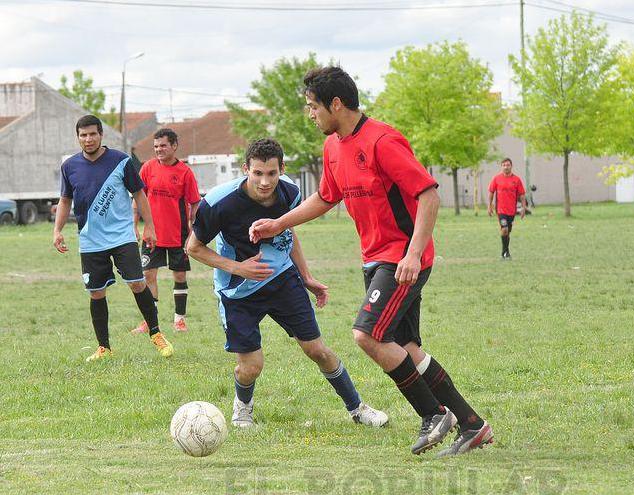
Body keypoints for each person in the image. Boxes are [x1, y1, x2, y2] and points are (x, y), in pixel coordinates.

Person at [249, 67, 493, 456]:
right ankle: (472, 425)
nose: (310, 114)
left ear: (336, 104)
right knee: (407, 347)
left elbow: (428, 195)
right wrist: (277, 223)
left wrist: (413, 254)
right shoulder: (333, 147)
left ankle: (434, 414)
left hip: (402, 259)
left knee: (367, 335)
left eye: (313, 107)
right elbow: (326, 198)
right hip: (375, 259)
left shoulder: (383, 141)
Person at [185, 138, 388, 429]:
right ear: (245, 169)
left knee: (317, 350)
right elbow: (192, 247)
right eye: (257, 173)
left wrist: (305, 276)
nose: (265, 181)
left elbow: (287, 232)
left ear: (282, 169)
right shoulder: (219, 202)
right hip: (237, 292)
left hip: (282, 281)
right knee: (251, 367)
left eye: (271, 173)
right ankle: (242, 409)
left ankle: (358, 409)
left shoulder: (290, 191)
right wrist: (238, 267)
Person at [53, 115, 174, 362]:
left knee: (138, 284)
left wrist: (149, 226)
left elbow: (139, 194)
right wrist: (57, 231)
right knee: (96, 292)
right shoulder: (69, 167)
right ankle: (104, 348)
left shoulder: (121, 161)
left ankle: (156, 333)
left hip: (122, 236)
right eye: (83, 135)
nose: (88, 139)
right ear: (78, 137)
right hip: (89, 240)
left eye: (92, 134)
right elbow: (65, 200)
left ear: (101, 135)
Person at [131, 128, 201, 334]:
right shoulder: (147, 168)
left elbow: (195, 204)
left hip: (178, 234)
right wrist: (134, 225)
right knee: (147, 275)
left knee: (179, 275)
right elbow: (138, 198)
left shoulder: (185, 172)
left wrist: (194, 232)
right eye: (156, 147)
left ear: (174, 146)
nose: (159, 150)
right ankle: (149, 321)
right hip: (151, 235)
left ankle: (179, 320)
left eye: (163, 146)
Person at [488, 158, 527, 260]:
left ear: (511, 166)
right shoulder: (496, 179)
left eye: (508, 165)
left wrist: (523, 208)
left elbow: (522, 195)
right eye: (504, 165)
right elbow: (491, 192)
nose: (506, 167)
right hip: (500, 210)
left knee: (507, 232)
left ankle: (506, 252)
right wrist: (489, 205)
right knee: (504, 229)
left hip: (511, 211)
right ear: (501, 167)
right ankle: (504, 253)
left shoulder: (517, 180)